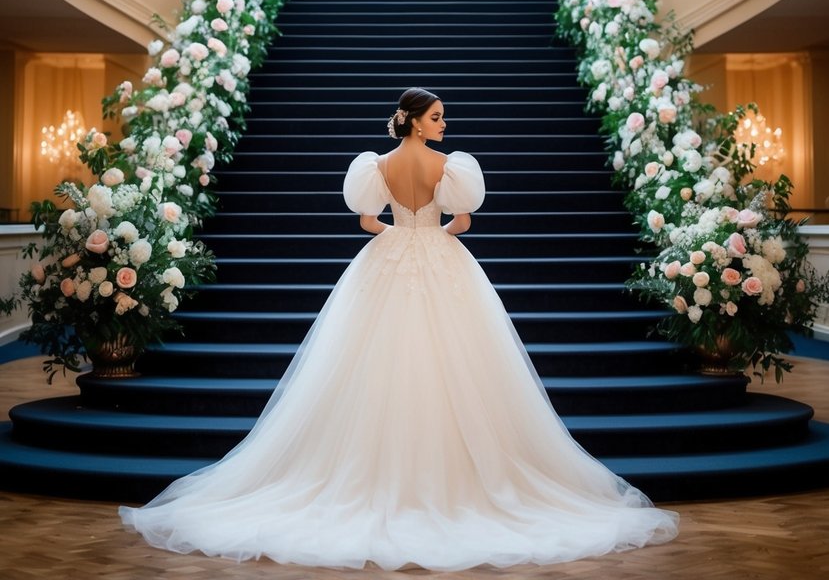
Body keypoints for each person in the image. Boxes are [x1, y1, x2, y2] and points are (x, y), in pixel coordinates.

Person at [120, 87, 679, 568]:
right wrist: (437, 235)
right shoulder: (450, 167)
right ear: (414, 119)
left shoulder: (376, 165)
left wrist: (393, 234)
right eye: (437, 116)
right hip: (441, 257)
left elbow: (366, 220)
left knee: (370, 366)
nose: (444, 123)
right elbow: (462, 220)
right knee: (459, 365)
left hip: (385, 261)